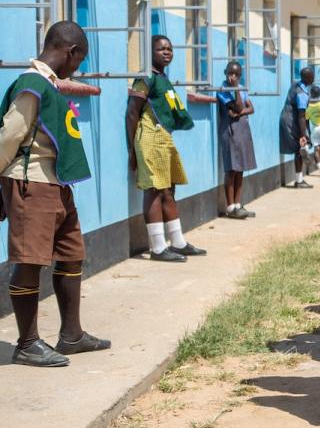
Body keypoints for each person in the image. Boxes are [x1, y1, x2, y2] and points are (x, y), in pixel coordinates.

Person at [1, 22, 109, 367]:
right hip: (31, 183)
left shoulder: (48, 84)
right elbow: (8, 136)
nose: (77, 68)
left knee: (72, 254)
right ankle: (27, 343)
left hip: (57, 184)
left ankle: (71, 335)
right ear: (70, 51)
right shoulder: (32, 84)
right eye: (79, 60)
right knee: (30, 260)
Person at [126, 35, 205, 263]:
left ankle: (178, 242)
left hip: (164, 138)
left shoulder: (162, 78)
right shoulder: (146, 77)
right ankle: (158, 248)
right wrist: (132, 151)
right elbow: (132, 113)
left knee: (169, 189)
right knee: (153, 189)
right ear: (149, 52)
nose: (167, 52)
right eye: (161, 49)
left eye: (170, 49)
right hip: (149, 137)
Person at [216, 61, 257, 220]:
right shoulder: (223, 90)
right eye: (230, 73)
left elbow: (251, 109)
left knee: (241, 169)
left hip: (243, 131)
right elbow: (240, 106)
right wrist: (235, 90)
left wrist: (240, 112)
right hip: (230, 132)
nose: (232, 77)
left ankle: (238, 205)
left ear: (240, 76)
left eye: (236, 75)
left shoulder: (241, 88)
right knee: (231, 169)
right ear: (225, 72)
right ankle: (230, 207)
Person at [279, 66, 314, 189]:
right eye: (312, 76)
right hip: (292, 121)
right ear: (308, 78)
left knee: (299, 149)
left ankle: (299, 179)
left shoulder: (296, 85)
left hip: (288, 118)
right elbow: (301, 116)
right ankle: (299, 181)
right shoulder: (301, 94)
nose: (313, 78)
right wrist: (303, 135)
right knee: (300, 148)